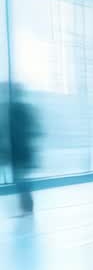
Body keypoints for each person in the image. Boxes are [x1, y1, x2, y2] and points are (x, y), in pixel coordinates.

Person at [3, 84, 40, 214]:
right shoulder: (22, 109)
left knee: (21, 179)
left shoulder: (13, 110)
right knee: (21, 178)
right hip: (22, 150)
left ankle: (26, 207)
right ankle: (26, 207)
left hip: (19, 151)